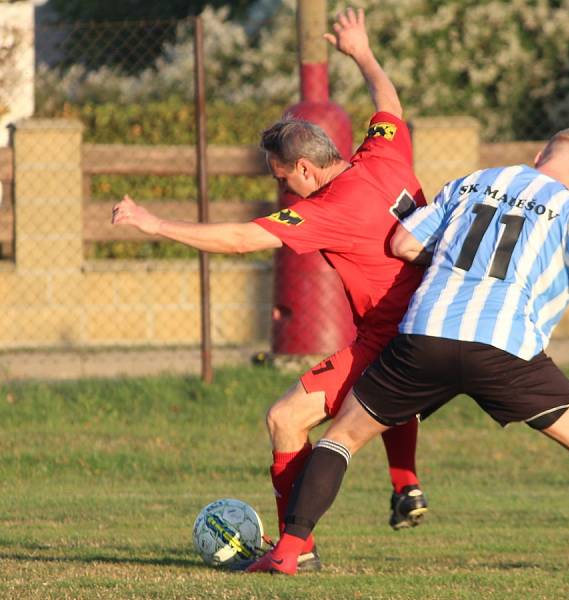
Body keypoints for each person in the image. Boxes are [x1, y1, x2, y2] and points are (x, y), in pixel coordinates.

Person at [247, 128, 569, 575]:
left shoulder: (474, 181)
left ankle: (290, 550)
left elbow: (403, 245)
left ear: (537, 156)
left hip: (426, 334)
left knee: (341, 439)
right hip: (505, 349)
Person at [112, 7, 430, 571]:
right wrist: (361, 53)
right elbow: (390, 103)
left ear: (307, 169)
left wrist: (154, 223)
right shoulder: (384, 154)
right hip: (436, 324)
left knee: (286, 419)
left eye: (281, 178)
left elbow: (239, 238)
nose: (282, 188)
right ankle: (405, 485)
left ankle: (294, 546)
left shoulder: (331, 209)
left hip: (391, 339)